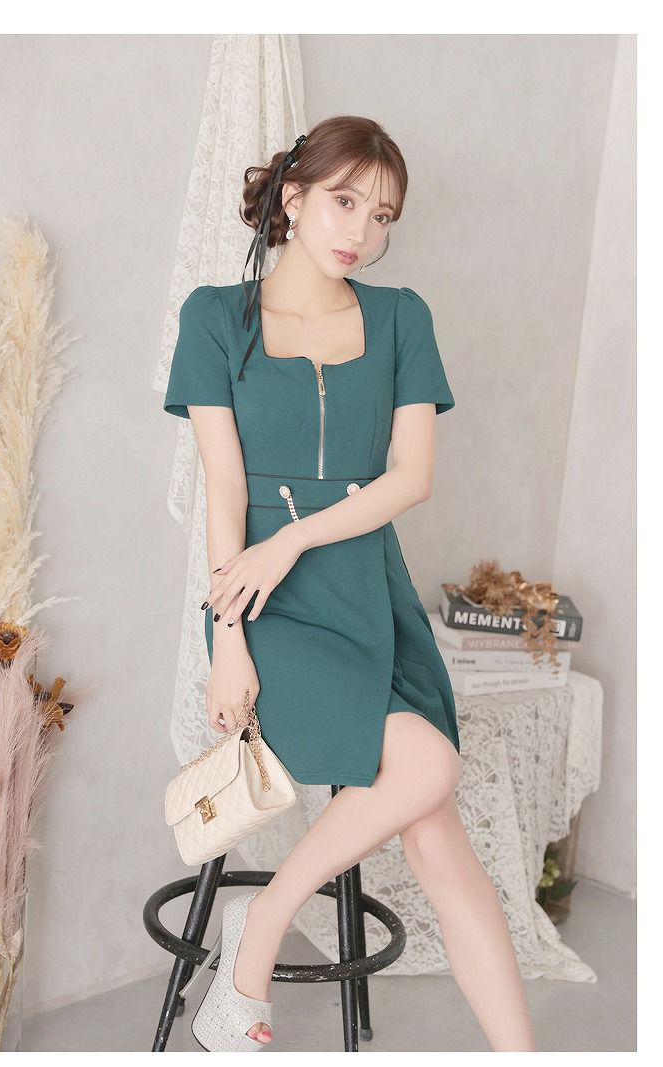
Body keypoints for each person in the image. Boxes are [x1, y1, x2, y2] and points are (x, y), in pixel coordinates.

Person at [163, 115, 536, 1053]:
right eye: (344, 202)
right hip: (266, 609)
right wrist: (229, 644)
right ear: (292, 199)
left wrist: (293, 540)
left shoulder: (402, 317)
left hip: (370, 591)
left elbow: (411, 478)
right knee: (428, 767)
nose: (362, 231)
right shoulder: (215, 318)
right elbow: (224, 487)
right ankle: (260, 928)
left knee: (439, 838)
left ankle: (521, 1055)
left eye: (382, 216)